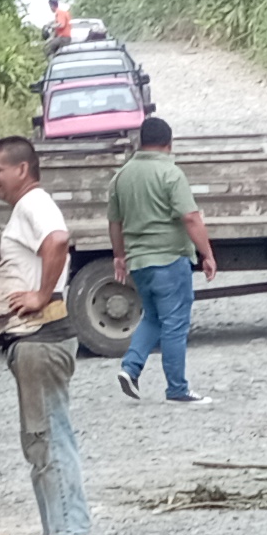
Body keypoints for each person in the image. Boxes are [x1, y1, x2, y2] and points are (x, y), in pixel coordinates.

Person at [0, 135, 89, 535]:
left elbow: (58, 240)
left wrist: (41, 294)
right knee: (38, 439)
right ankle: (54, 533)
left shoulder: (33, 203)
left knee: (50, 437)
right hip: (32, 340)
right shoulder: (27, 208)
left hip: (42, 338)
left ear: (22, 169)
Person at [107, 116, 218, 405]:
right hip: (169, 260)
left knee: (153, 317)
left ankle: (130, 368)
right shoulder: (171, 173)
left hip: (139, 262)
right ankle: (177, 389)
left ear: (140, 142)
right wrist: (207, 254)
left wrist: (119, 256)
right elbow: (190, 217)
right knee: (175, 323)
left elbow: (115, 222)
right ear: (169, 143)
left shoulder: (121, 176)